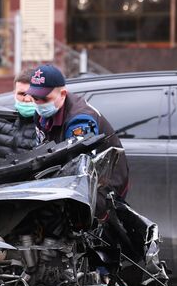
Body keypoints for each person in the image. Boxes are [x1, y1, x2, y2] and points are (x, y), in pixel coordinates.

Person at [27, 63, 129, 198]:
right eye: (35, 98)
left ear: (62, 94)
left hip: (104, 184)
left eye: (45, 98)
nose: (39, 103)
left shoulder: (80, 120)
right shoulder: (42, 115)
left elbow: (81, 170)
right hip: (71, 179)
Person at [0, 68, 37, 158]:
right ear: (14, 94)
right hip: (5, 171)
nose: (27, 99)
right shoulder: (2, 118)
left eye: (33, 94)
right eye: (22, 94)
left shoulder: (48, 125)